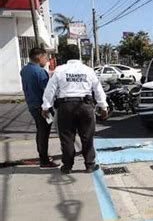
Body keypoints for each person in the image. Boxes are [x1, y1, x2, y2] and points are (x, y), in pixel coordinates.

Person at [41, 45, 108, 174]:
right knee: (87, 137)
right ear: (79, 55)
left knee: (66, 138)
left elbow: (50, 90)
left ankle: (67, 166)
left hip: (65, 107)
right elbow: (98, 89)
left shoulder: (60, 70)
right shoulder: (88, 70)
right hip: (85, 106)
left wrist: (45, 106)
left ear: (65, 56)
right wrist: (103, 106)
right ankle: (89, 165)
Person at [20, 48, 59, 169]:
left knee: (40, 131)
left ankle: (43, 156)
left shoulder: (24, 70)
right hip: (42, 107)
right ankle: (44, 160)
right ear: (39, 57)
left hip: (32, 105)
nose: (47, 60)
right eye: (45, 58)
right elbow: (48, 91)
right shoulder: (40, 72)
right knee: (44, 133)